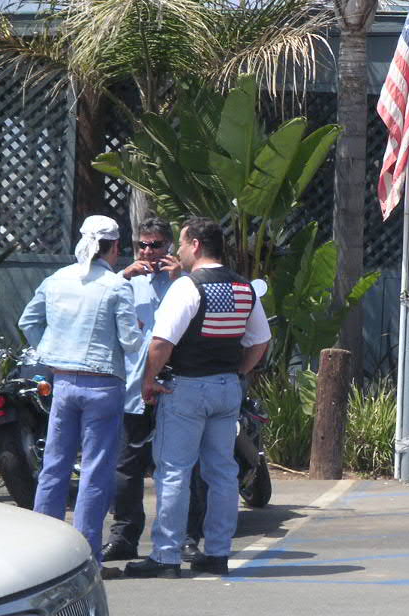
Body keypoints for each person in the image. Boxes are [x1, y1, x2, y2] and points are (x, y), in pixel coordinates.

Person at [126, 217, 270, 579]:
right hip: (227, 388)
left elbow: (161, 342)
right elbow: (260, 341)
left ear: (195, 245)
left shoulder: (187, 286)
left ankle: (166, 556)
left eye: (180, 243)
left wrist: (148, 381)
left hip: (187, 387)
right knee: (222, 471)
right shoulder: (243, 287)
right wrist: (237, 372)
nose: (177, 250)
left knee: (174, 471)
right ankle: (217, 553)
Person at [18, 216, 143, 569]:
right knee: (95, 470)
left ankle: (42, 553)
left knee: (54, 466)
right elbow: (130, 342)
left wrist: (50, 350)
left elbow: (28, 322)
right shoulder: (117, 286)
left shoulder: (57, 279)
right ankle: (86, 557)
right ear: (114, 248)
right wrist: (139, 329)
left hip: (63, 382)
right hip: (103, 384)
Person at [101, 217, 181, 563]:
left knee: (179, 466)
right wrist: (122, 277)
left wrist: (179, 279)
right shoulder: (124, 282)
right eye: (142, 245)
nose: (148, 252)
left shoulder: (184, 283)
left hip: (175, 384)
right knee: (125, 466)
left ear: (170, 247)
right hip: (134, 386)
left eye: (156, 245)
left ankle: (185, 537)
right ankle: (124, 536)